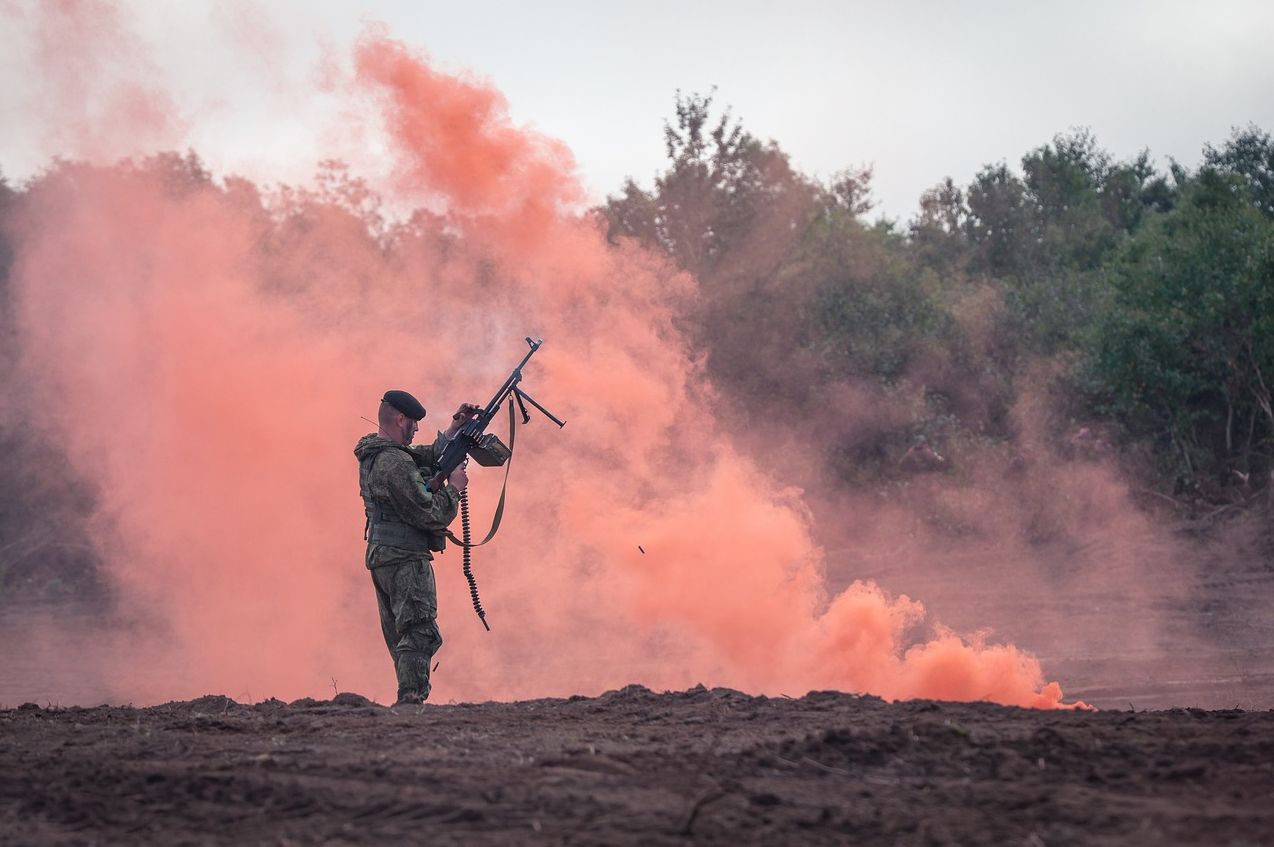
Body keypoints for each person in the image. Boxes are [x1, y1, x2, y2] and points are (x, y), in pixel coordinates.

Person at [353, 389, 479, 706]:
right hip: (405, 557)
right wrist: (455, 490)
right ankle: (411, 700)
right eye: (413, 423)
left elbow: (423, 457)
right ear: (400, 419)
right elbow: (430, 513)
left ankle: (407, 698)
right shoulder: (394, 464)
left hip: (383, 553)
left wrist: (454, 429)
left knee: (401, 635)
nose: (417, 429)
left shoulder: (377, 454)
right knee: (419, 630)